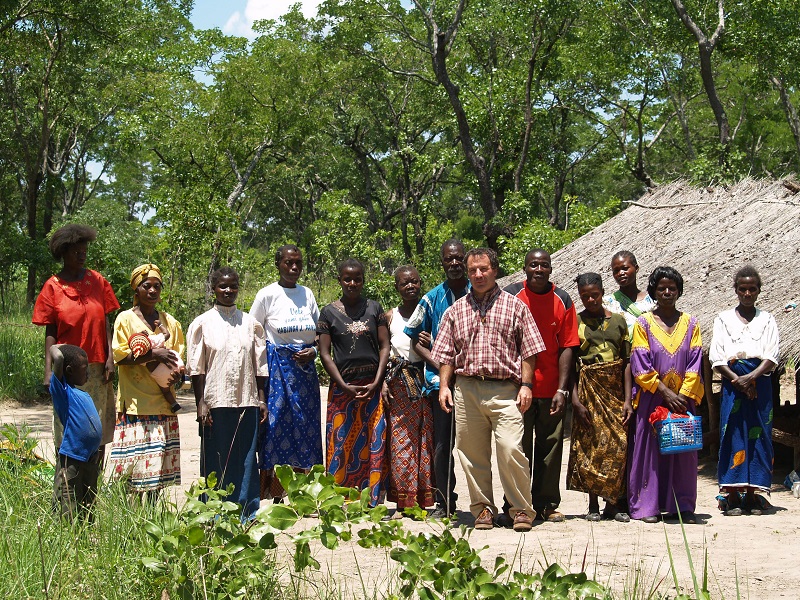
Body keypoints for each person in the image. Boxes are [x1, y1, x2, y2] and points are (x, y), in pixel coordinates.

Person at [431, 248, 545, 532]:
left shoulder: (515, 306)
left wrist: (527, 385)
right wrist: (445, 386)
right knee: (471, 454)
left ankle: (520, 509)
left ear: (495, 270)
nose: (478, 275)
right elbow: (446, 354)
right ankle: (482, 510)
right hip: (467, 388)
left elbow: (530, 351)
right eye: (473, 271)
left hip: (506, 389)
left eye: (483, 269)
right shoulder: (455, 310)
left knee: (510, 449)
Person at [504, 248, 579, 523]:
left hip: (550, 390)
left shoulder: (563, 299)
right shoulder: (511, 295)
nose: (538, 269)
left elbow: (568, 346)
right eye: (533, 265)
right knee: (516, 448)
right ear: (524, 268)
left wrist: (562, 389)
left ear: (550, 269)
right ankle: (516, 504)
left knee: (550, 448)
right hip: (516, 388)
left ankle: (547, 503)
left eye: (544, 265)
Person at [32, 224, 120, 459]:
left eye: (84, 252)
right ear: (63, 253)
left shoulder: (98, 282)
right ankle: (68, 483)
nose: (82, 256)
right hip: (68, 369)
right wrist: (49, 370)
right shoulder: (53, 286)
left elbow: (105, 321)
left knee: (96, 424)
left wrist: (110, 358)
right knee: (69, 424)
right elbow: (50, 330)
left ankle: (93, 485)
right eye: (76, 253)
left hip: (97, 365)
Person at [187, 267, 268, 519]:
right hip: (215, 402)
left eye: (233, 286)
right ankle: (213, 514)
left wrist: (262, 400)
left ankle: (246, 514)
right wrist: (201, 402)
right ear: (213, 288)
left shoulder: (250, 324)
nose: (228, 291)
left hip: (247, 400)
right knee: (216, 459)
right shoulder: (202, 324)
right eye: (223, 286)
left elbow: (260, 366)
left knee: (245, 460)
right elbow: (196, 368)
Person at [628, 266, 704, 524]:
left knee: (683, 452)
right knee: (649, 452)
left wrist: (681, 395)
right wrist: (664, 392)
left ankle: (681, 506)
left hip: (683, 399)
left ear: (679, 291)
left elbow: (695, 360)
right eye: (662, 288)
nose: (667, 292)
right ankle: (647, 506)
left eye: (672, 288)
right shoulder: (643, 324)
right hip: (652, 397)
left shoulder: (691, 323)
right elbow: (639, 362)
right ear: (653, 292)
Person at [250, 245, 323, 500]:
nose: (293, 268)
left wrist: (313, 351)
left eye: (298, 263)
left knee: (306, 425)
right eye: (288, 263)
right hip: (276, 370)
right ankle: (274, 492)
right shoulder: (267, 295)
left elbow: (320, 332)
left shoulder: (307, 294)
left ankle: (303, 493)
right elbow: (254, 333)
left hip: (305, 372)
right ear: (278, 264)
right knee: (275, 425)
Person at [404, 239, 469, 519]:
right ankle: (445, 501)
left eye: (458, 258)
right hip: (438, 385)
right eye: (448, 259)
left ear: (465, 259)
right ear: (441, 262)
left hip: (474, 381)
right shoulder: (430, 299)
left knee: (477, 446)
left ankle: (487, 505)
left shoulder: (478, 291)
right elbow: (414, 338)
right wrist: (441, 363)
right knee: (442, 445)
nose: (454, 264)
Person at [317, 259, 390, 506]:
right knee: (340, 443)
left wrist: (377, 382)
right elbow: (325, 353)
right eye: (347, 279)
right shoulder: (328, 312)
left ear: (363, 280)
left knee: (374, 440)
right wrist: (343, 385)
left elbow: (384, 345)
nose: (352, 283)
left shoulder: (374, 309)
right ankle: (340, 499)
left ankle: (371, 500)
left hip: (372, 387)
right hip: (342, 390)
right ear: (339, 280)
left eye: (357, 278)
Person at [109, 264, 184, 496]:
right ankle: (129, 523)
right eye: (147, 286)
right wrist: (154, 354)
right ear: (136, 289)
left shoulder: (170, 322)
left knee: (156, 475)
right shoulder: (125, 319)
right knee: (131, 474)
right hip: (135, 405)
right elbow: (120, 357)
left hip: (163, 407)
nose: (152, 291)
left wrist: (178, 373)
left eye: (157, 286)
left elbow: (178, 355)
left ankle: (152, 521)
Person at [710, 265, 779, 516]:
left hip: (759, 382)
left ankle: (752, 495)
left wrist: (750, 378)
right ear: (736, 290)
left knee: (759, 436)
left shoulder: (768, 319)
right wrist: (738, 381)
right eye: (742, 289)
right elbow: (717, 357)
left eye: (752, 289)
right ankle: (732, 495)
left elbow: (771, 356)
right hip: (732, 382)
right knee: (733, 434)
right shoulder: (723, 319)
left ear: (759, 291)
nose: (747, 293)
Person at [567, 273, 632, 523]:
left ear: (603, 292)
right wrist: (575, 400)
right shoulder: (575, 322)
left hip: (614, 390)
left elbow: (626, 363)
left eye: (595, 294)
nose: (591, 299)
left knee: (618, 445)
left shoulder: (618, 322)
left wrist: (627, 399)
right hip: (587, 389)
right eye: (585, 296)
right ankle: (593, 503)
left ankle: (614, 503)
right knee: (590, 445)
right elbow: (570, 363)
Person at [384, 265, 435, 518]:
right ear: (397, 287)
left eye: (414, 282)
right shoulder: (389, 317)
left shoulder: (431, 313)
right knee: (400, 440)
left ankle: (423, 499)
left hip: (425, 380)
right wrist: (382, 382)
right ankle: (403, 501)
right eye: (405, 283)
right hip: (399, 384)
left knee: (424, 440)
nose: (410, 286)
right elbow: (381, 352)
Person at [49, 344, 101, 520]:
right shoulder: (62, 391)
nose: (88, 373)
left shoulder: (83, 394)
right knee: (68, 504)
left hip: (89, 459)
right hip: (71, 460)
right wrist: (58, 346)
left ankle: (86, 537)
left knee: (88, 504)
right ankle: (68, 539)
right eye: (84, 369)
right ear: (69, 370)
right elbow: (58, 357)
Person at [127, 319, 184, 413]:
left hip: (159, 374)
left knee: (166, 391)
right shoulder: (154, 340)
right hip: (173, 363)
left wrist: (142, 335)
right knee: (181, 366)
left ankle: (175, 405)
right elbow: (167, 334)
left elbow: (135, 359)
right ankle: (185, 377)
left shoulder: (141, 354)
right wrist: (160, 325)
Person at [603, 250, 655, 337]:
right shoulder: (608, 303)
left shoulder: (652, 300)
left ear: (636, 268)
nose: (621, 273)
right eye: (616, 271)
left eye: (625, 268)